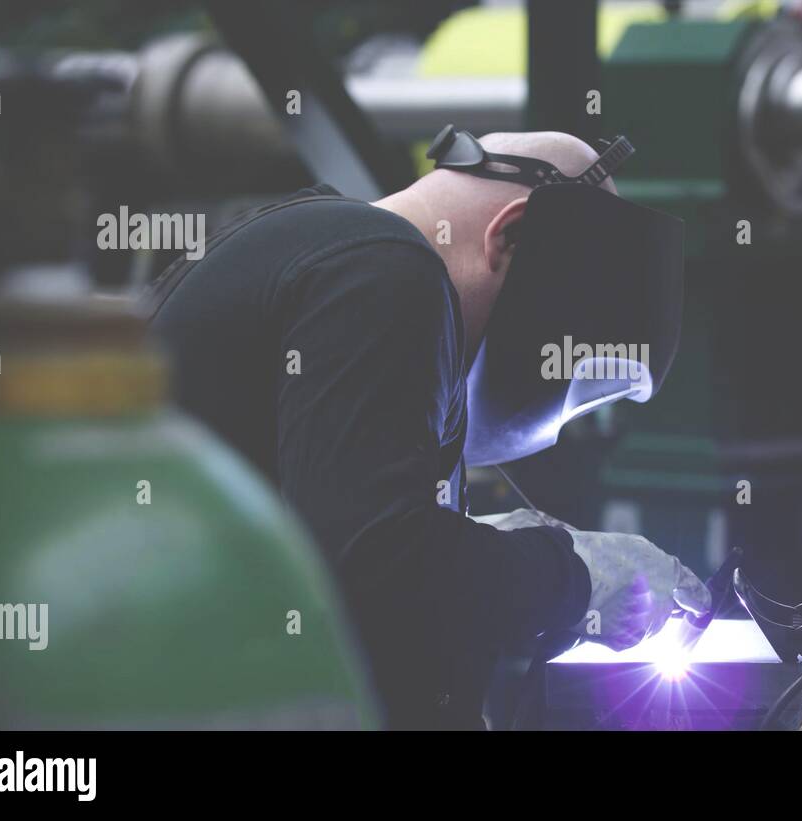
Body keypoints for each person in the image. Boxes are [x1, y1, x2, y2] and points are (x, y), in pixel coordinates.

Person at [147, 126, 709, 728]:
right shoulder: (382, 267)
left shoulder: (327, 250)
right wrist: (569, 575)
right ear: (511, 235)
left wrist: (486, 545)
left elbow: (323, 542)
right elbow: (373, 568)